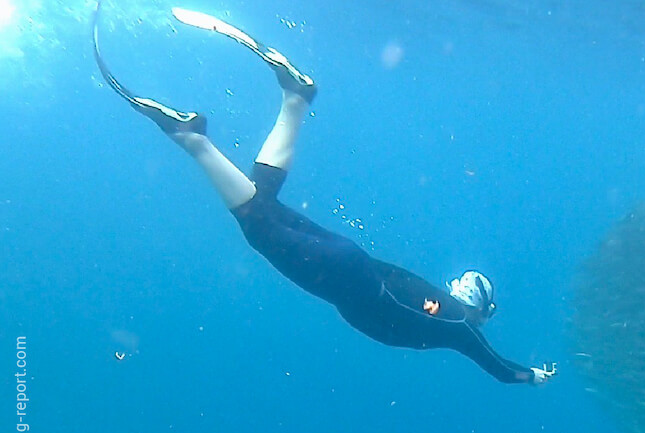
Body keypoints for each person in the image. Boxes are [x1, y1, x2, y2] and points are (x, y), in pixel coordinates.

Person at [92, 3, 556, 386]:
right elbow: (500, 371)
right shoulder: (461, 328)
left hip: (349, 265)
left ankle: (294, 100)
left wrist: (524, 367)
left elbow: (480, 348)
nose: (459, 287)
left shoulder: (456, 317)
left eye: (468, 286)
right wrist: (536, 376)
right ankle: (193, 138)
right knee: (256, 222)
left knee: (263, 203)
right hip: (345, 278)